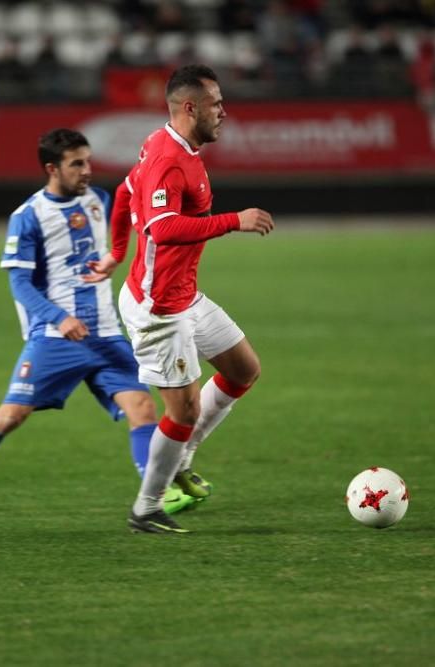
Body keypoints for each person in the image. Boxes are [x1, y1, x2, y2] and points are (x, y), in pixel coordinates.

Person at [0, 128, 198, 518]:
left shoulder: (100, 200)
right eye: (76, 164)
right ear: (51, 168)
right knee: (11, 416)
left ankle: (155, 496)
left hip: (106, 332)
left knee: (142, 407)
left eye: (88, 161)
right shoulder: (27, 217)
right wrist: (59, 319)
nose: (87, 170)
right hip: (55, 337)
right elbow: (19, 283)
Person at [85, 64, 274, 534]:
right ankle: (147, 507)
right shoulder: (169, 159)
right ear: (190, 107)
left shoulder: (164, 144)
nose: (223, 112)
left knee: (243, 370)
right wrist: (235, 220)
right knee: (182, 411)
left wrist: (115, 252)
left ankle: (182, 457)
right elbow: (164, 228)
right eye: (216, 104)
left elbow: (125, 191)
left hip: (184, 296)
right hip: (158, 308)